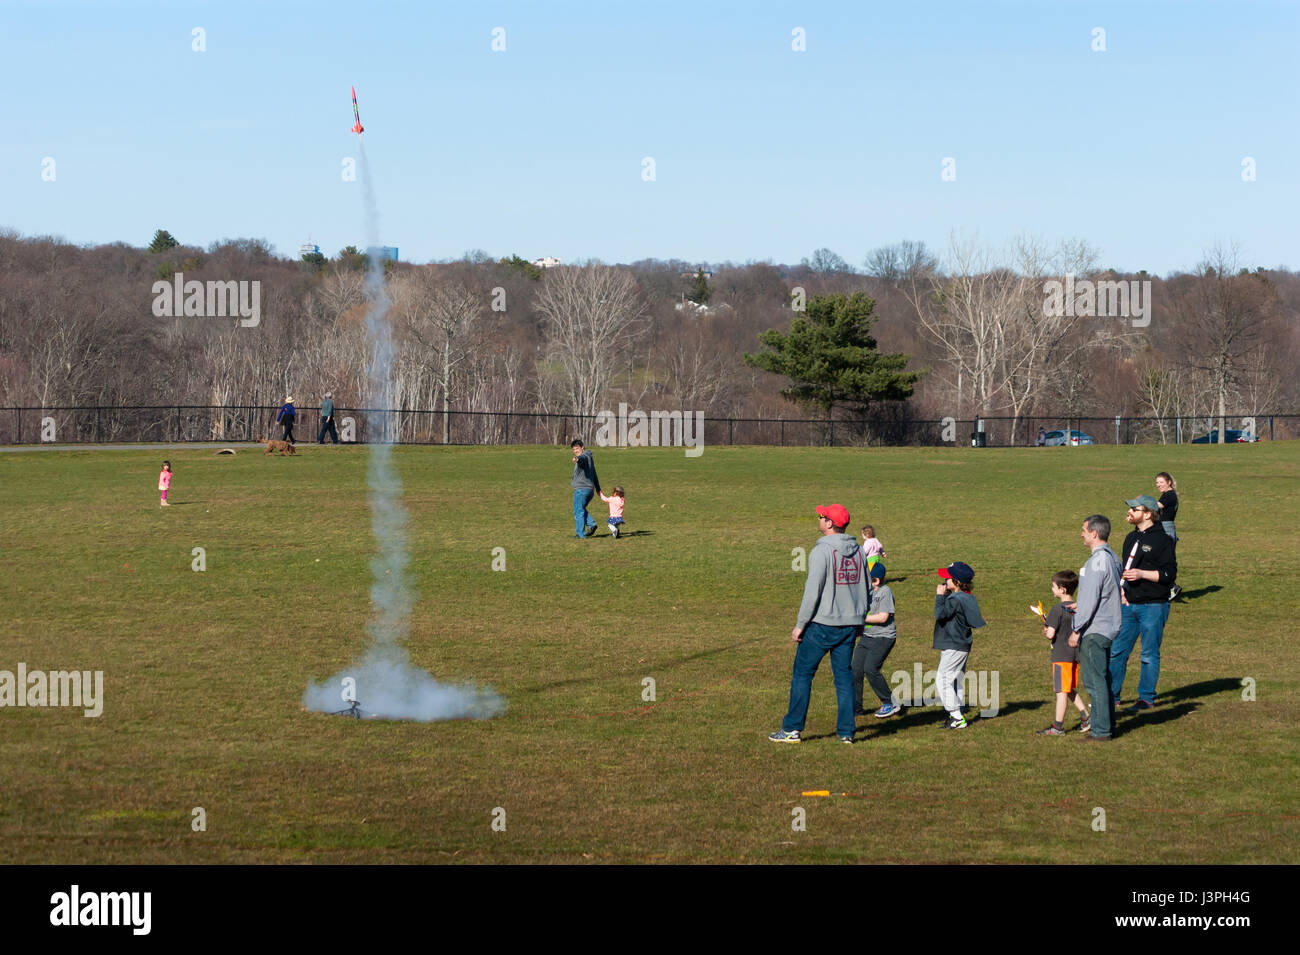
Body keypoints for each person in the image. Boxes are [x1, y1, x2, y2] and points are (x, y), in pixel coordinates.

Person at [769, 504, 869, 745]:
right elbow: (866, 589)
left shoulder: (820, 552)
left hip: (822, 624)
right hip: (850, 625)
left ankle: (792, 729)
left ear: (830, 524)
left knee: (803, 675)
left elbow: (812, 592)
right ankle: (846, 732)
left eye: (822, 516)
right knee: (843, 678)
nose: (819, 518)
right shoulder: (860, 552)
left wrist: (800, 624)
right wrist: (860, 620)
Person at [1110, 494, 1177, 712]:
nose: (1129, 513)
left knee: (1148, 654)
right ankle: (1111, 696)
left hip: (1154, 606)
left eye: (1134, 510)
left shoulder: (1163, 540)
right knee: (1117, 651)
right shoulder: (1130, 538)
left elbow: (1169, 574)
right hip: (1128, 605)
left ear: (1148, 514)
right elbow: (1123, 569)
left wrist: (1142, 574)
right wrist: (1121, 591)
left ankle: (1146, 698)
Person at [1069, 515, 1123, 741]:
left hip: (1095, 629)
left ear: (1094, 533)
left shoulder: (1096, 562)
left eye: (1084, 530)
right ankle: (1107, 725)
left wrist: (1076, 629)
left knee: (1094, 681)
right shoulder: (1113, 558)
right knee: (1104, 679)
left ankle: (1101, 731)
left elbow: (1091, 599)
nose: (1081, 533)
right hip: (1109, 626)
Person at [1036, 570, 1090, 736]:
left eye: (1053, 586)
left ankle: (1057, 726)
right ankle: (1086, 717)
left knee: (1061, 692)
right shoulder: (1080, 608)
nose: (1052, 589)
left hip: (1061, 656)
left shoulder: (1056, 610)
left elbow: (1051, 634)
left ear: (1062, 590)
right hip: (1076, 655)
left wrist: (1046, 631)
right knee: (1069, 689)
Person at [932, 561, 986, 729]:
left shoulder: (955, 599)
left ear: (956, 582)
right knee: (955, 680)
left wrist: (940, 596)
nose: (944, 582)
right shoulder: (966, 596)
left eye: (947, 578)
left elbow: (939, 614)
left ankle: (957, 717)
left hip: (954, 646)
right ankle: (957, 713)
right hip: (961, 644)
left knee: (942, 680)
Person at [852, 562, 899, 718]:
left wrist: (861, 618)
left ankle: (890, 702)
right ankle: (855, 709)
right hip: (867, 637)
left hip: (884, 637)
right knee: (856, 669)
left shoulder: (885, 592)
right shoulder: (867, 591)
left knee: (871, 669)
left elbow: (883, 617)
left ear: (876, 580)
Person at [1155, 472, 1180, 599]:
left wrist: (1141, 502)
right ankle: (1167, 589)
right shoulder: (1168, 495)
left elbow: (1156, 506)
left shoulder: (1168, 495)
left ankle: (1171, 588)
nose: (1158, 485)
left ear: (1169, 482)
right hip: (1165, 527)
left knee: (1163, 558)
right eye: (1157, 483)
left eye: (1161, 482)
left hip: (1166, 528)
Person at [569, 439, 601, 538]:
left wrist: (578, 459)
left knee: (578, 511)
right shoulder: (590, 457)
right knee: (580, 509)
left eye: (577, 448)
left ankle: (581, 534)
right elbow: (594, 474)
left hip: (582, 489)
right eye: (574, 449)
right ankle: (592, 524)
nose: (575, 451)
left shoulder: (584, 457)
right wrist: (598, 489)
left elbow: (582, 459)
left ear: (582, 447)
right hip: (589, 489)